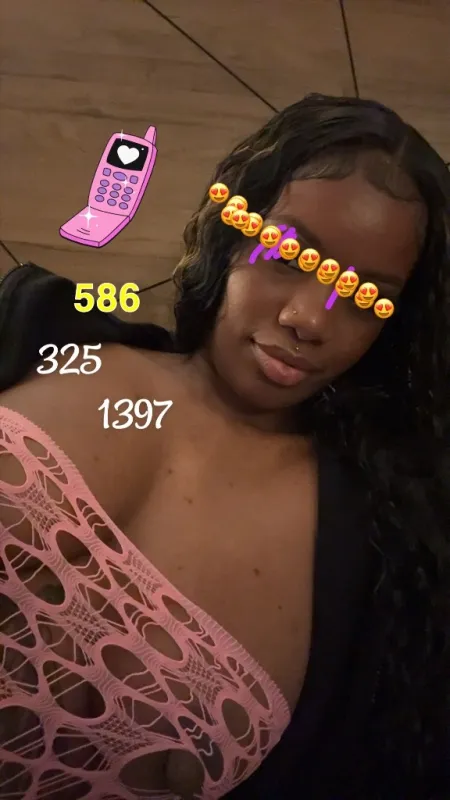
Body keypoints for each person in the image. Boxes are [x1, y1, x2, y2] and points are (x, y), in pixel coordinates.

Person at [0, 93, 449, 800]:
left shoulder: (380, 563)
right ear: (232, 231)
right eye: (286, 254)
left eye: (365, 296)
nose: (309, 318)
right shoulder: (40, 331)